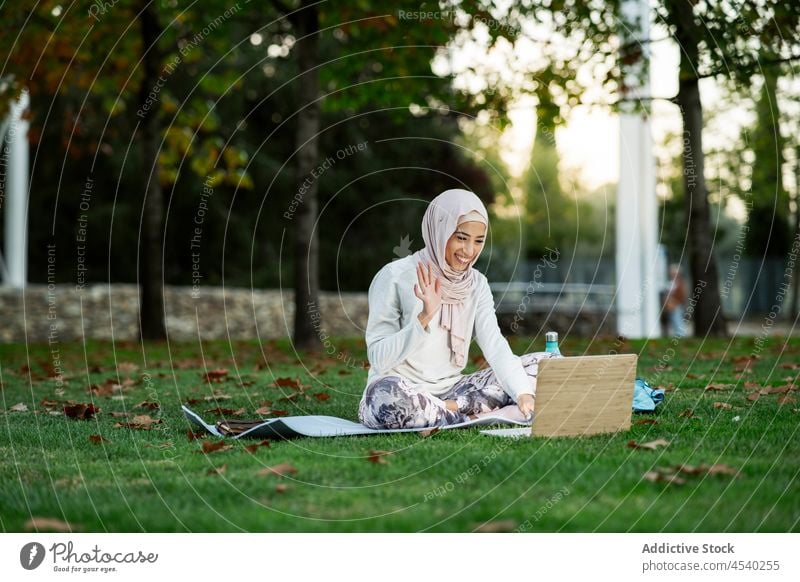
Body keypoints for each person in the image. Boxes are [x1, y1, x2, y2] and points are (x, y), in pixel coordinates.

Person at [358, 189, 563, 430]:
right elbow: (378, 359)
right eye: (461, 237)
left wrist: (522, 394)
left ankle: (448, 411)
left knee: (548, 363)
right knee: (385, 398)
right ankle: (473, 414)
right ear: (439, 230)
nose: (469, 251)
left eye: (478, 241)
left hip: (455, 390)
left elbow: (495, 347)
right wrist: (423, 319)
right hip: (403, 390)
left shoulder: (476, 283)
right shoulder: (394, 276)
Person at [664, 264, 688, 337]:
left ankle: (681, 335)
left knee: (678, 320)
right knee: (673, 321)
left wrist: (675, 302)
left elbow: (682, 295)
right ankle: (677, 335)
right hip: (671, 306)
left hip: (677, 305)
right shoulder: (671, 283)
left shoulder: (680, 283)